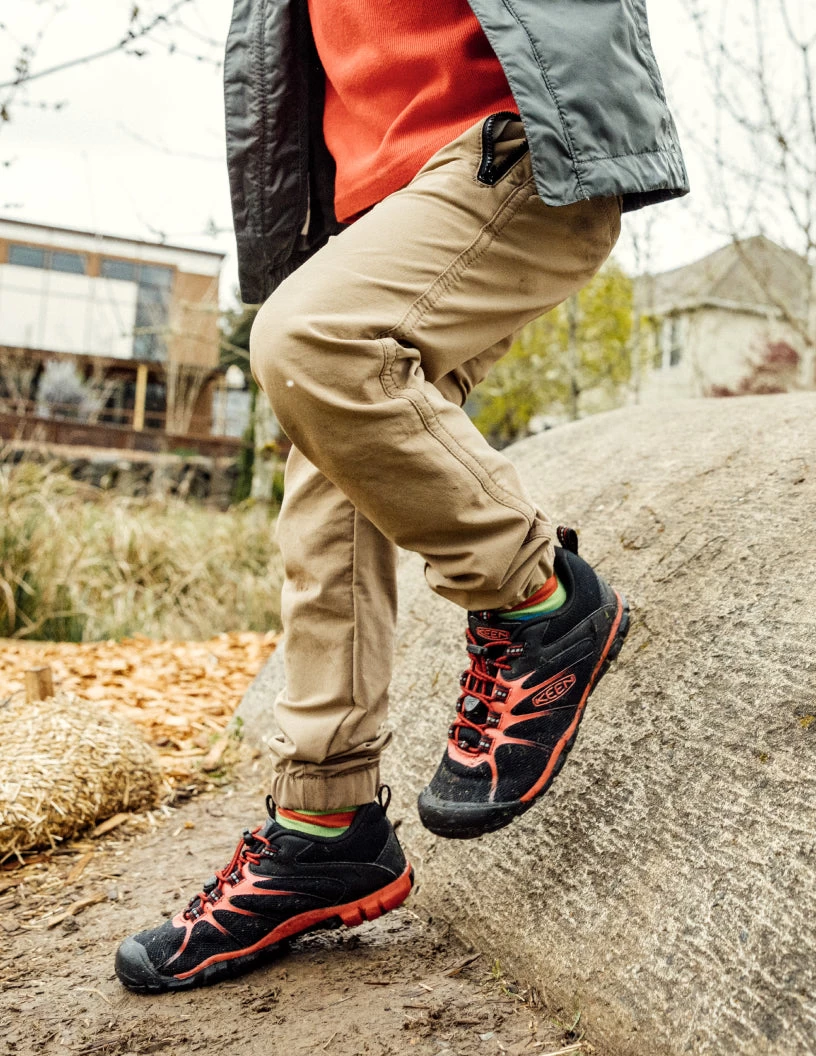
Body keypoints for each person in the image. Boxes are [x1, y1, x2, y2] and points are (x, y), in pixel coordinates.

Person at [116, 0, 687, 993]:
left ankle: (540, 600)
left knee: (312, 341)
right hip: (377, 214)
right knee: (326, 489)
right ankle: (323, 825)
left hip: (512, 151)